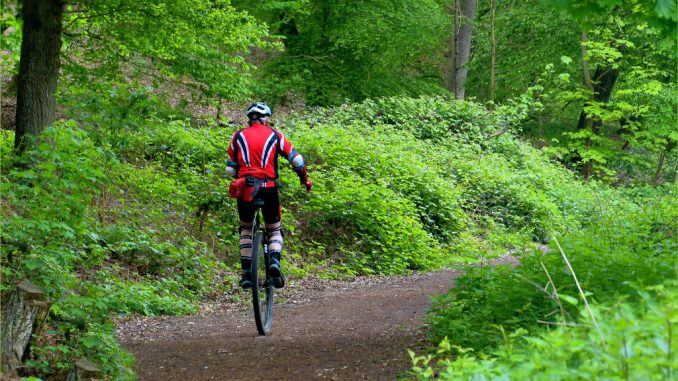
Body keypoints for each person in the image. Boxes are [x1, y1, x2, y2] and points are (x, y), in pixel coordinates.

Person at [226, 102, 312, 289]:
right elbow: (297, 160)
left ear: (249, 119)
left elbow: (229, 169)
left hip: (246, 189)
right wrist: (304, 179)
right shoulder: (275, 135)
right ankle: (274, 263)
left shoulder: (237, 136)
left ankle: (247, 274)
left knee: (246, 228)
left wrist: (240, 173)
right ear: (267, 119)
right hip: (269, 188)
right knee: (274, 229)